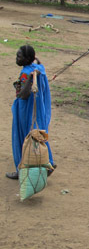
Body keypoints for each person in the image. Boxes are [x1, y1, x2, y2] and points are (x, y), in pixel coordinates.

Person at [6, 45, 55, 179]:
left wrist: (26, 82)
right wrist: (35, 63)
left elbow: (23, 95)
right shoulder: (39, 68)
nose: (16, 58)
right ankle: (48, 162)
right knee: (37, 134)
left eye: (19, 56)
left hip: (25, 109)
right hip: (37, 108)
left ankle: (20, 169)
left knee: (23, 136)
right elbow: (38, 61)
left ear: (27, 59)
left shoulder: (25, 74)